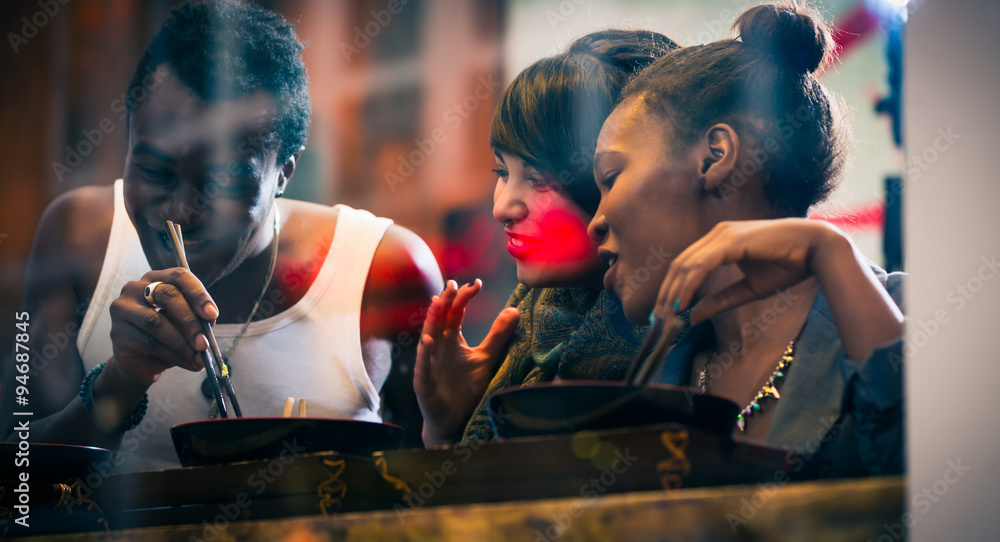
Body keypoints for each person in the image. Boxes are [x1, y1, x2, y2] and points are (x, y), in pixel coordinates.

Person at [0, 0, 442, 472]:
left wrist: (455, 427)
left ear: (283, 173)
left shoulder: (383, 269)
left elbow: (438, 486)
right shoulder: (77, 236)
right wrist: (118, 384)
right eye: (153, 169)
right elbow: (16, 478)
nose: (178, 210)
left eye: (223, 183)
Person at [587, 1, 904, 476]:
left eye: (610, 178)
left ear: (715, 156)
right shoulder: (657, 372)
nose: (595, 221)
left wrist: (829, 251)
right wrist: (444, 433)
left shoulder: (904, 314)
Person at [415, 30, 679, 446]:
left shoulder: (688, 334)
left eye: (537, 178)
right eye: (502, 172)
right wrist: (444, 425)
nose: (502, 207)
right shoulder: (536, 318)